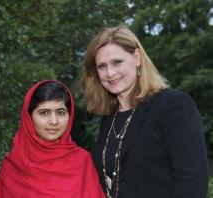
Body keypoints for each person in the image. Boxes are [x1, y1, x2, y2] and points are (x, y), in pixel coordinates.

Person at [80, 26, 209, 198]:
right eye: (102, 66)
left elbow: (192, 181)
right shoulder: (109, 118)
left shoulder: (173, 105)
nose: (110, 73)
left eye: (117, 62)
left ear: (137, 58)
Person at [0, 80, 105, 198]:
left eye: (61, 112)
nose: (54, 121)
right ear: (29, 117)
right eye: (44, 113)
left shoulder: (82, 162)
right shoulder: (14, 164)